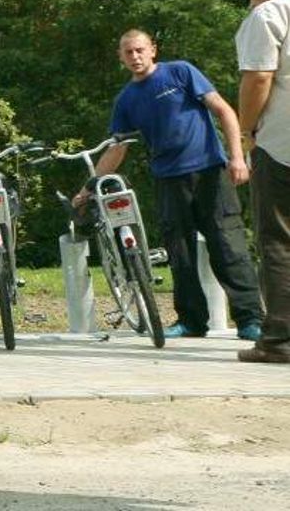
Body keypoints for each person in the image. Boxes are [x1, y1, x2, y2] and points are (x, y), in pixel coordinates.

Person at [74, 30, 263, 341]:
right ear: (121, 58)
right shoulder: (126, 100)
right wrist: (87, 188)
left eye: (139, 50)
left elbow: (225, 111)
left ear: (152, 51)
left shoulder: (181, 72)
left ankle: (250, 320)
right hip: (168, 180)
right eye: (128, 52)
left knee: (229, 248)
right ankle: (191, 322)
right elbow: (117, 149)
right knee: (180, 253)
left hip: (210, 173)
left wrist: (237, 156)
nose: (135, 57)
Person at [235, 0, 290, 363]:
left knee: (278, 239)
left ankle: (280, 339)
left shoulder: (268, 14)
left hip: (281, 144)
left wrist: (245, 130)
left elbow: (258, 76)